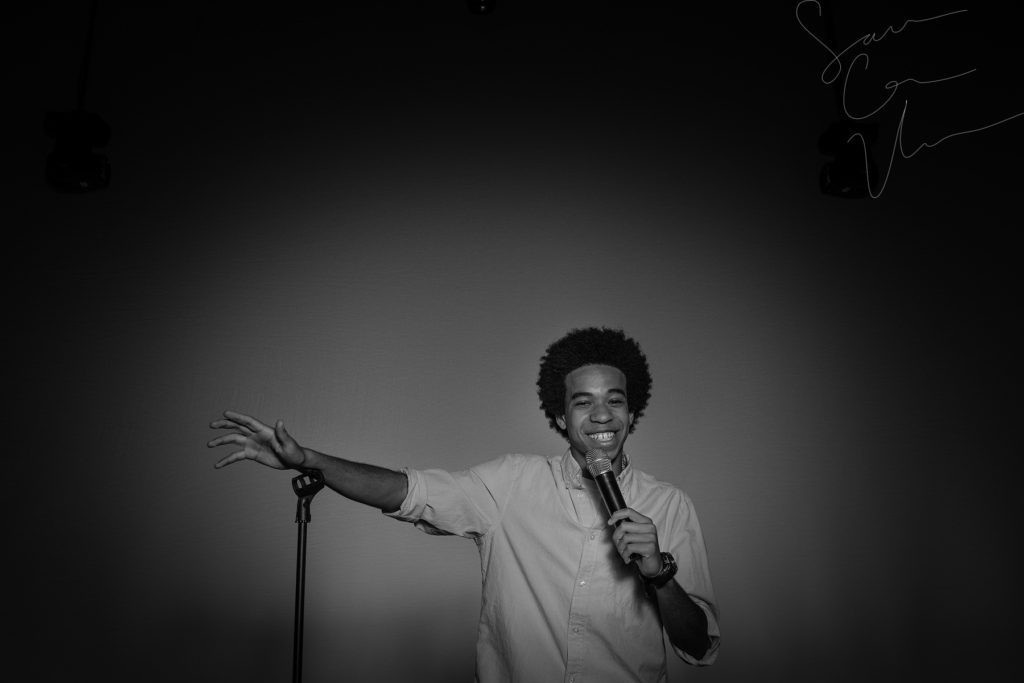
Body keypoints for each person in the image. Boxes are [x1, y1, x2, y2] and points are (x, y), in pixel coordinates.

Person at [208, 327, 720, 682]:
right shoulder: (510, 483)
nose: (601, 414)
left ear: (632, 411)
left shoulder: (669, 505)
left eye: (615, 399)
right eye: (582, 401)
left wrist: (658, 573)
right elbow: (408, 492)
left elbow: (699, 645)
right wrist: (308, 459)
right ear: (561, 418)